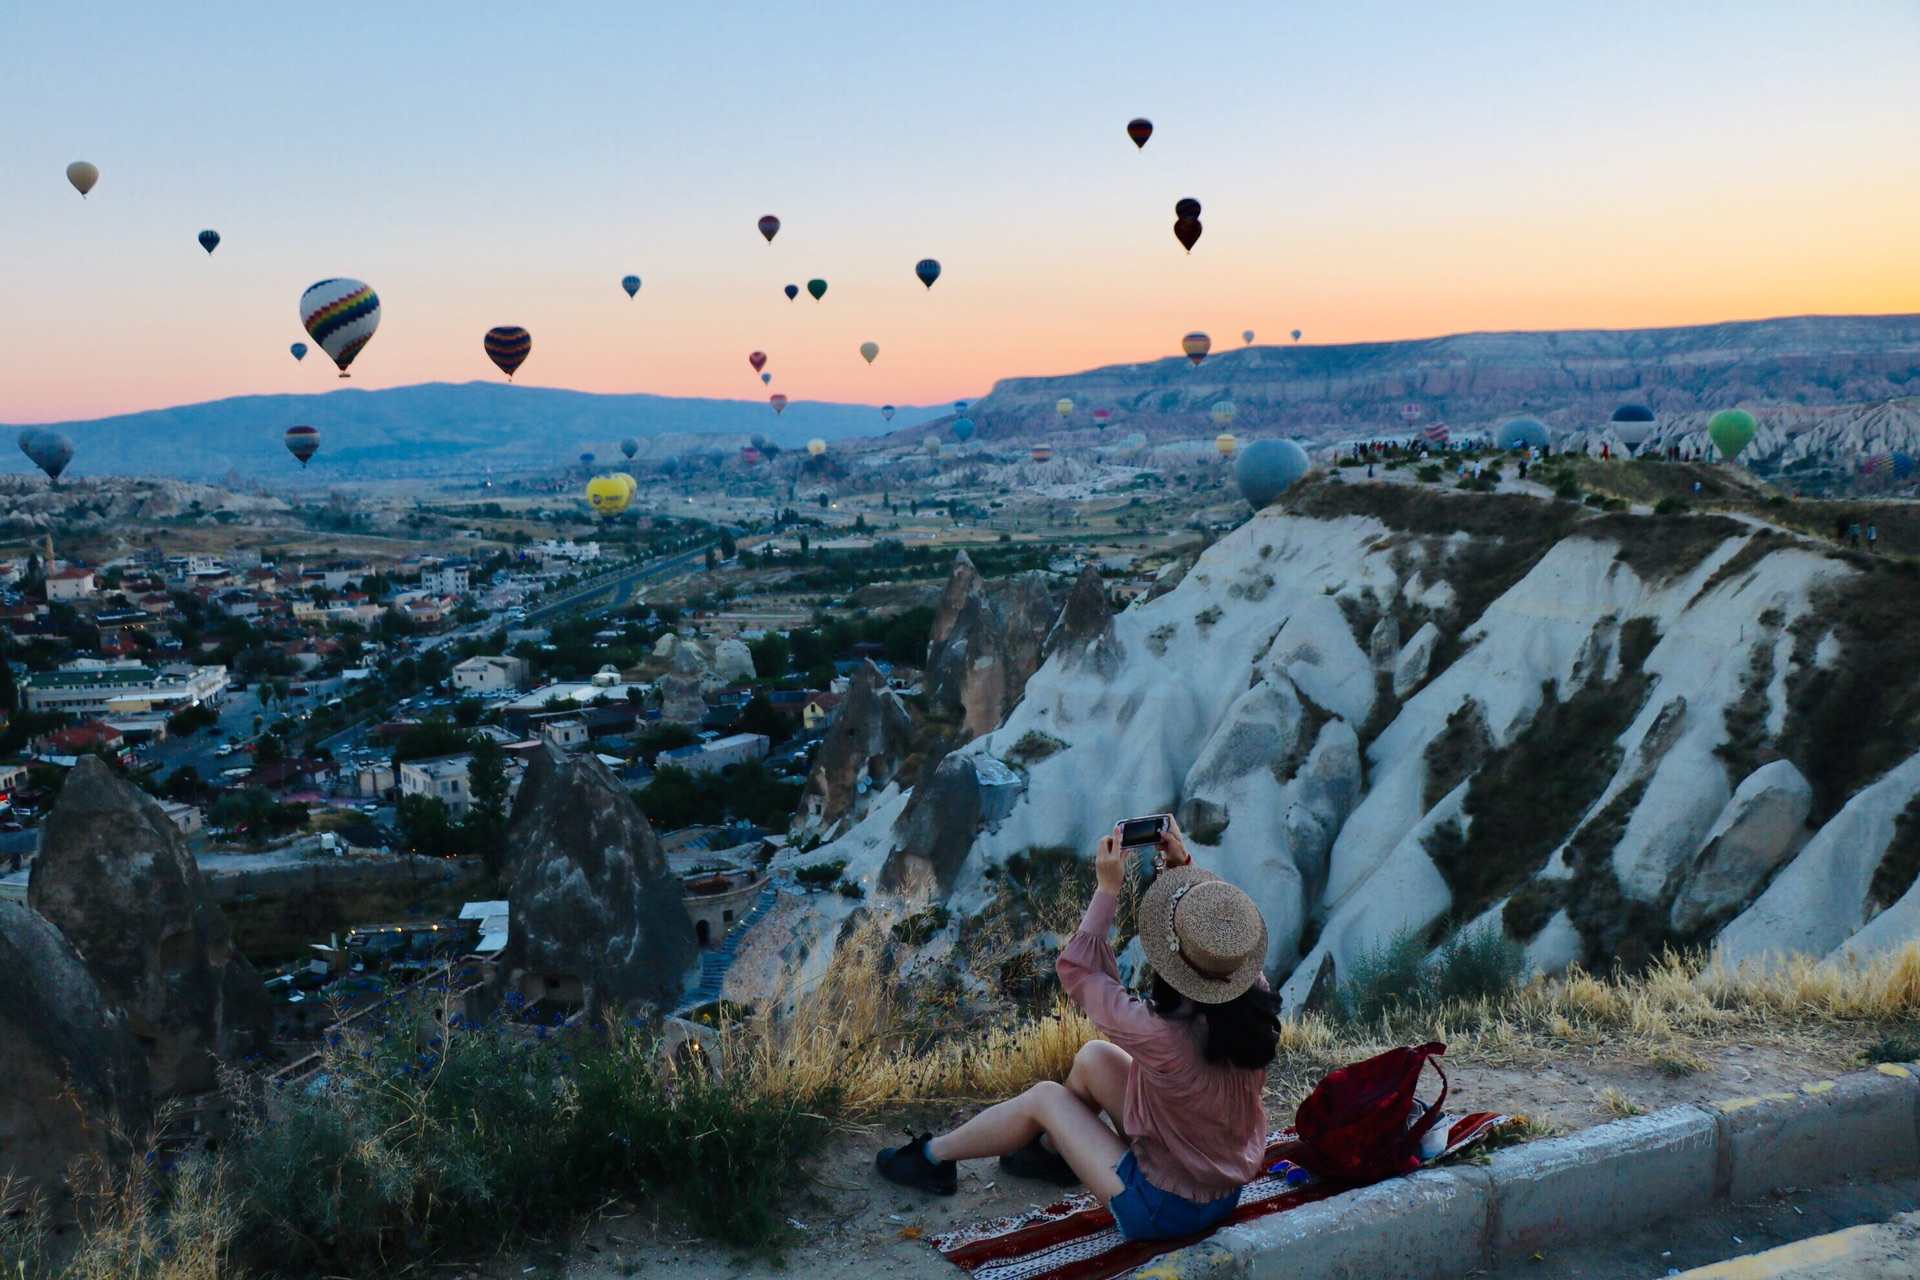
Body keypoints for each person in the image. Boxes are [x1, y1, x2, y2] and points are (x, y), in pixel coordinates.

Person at [876, 819, 1279, 1242]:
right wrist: (1181, 867)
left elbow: (1079, 971)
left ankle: (931, 1158)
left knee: (1046, 1098)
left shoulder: (1165, 1035)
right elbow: (1216, 938)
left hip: (1165, 1210)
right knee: (1093, 1058)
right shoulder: (1251, 995)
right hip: (1223, 1189)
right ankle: (1052, 1154)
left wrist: (1107, 888)